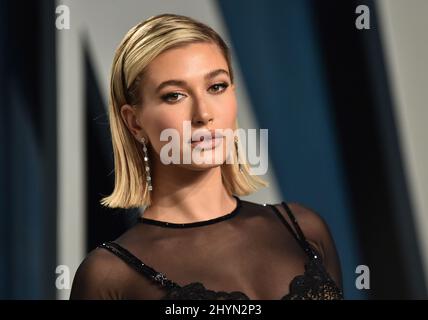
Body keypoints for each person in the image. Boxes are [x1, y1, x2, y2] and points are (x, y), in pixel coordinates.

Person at [70, 13, 343, 300]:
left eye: (217, 87)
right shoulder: (108, 275)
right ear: (134, 122)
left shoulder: (305, 228)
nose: (203, 114)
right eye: (174, 95)